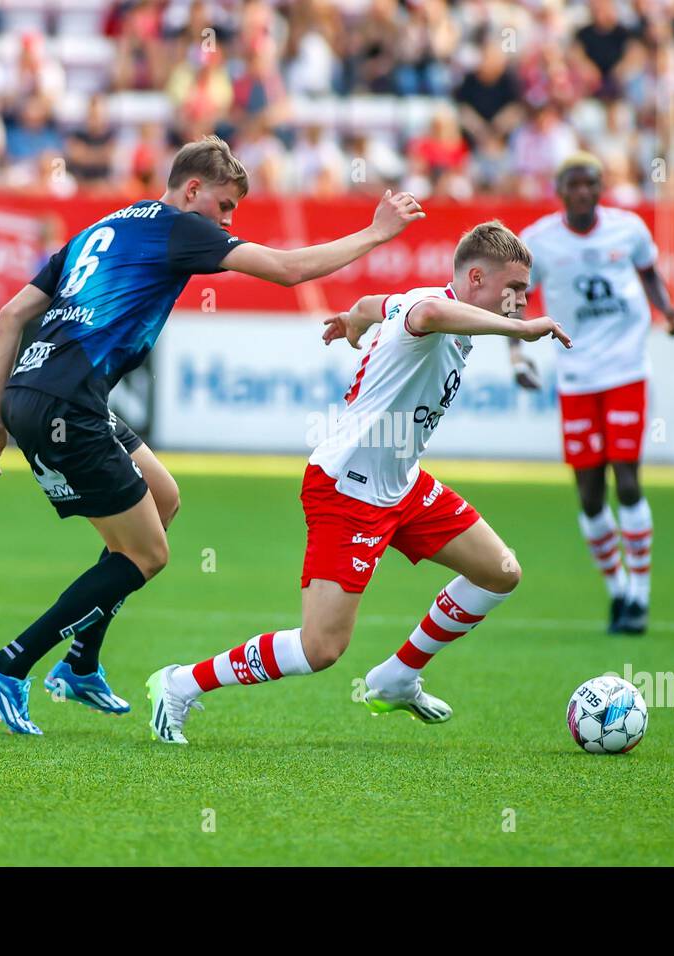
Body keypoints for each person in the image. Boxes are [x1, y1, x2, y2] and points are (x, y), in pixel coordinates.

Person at [0, 135, 425, 734]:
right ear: (191, 191)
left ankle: (80, 663)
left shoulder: (101, 227)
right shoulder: (181, 226)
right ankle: (9, 665)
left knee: (163, 499)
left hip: (40, 389)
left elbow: (10, 315)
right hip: (68, 399)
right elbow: (286, 270)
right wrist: (375, 234)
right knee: (148, 553)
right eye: (226, 205)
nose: (228, 221)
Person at [146, 221, 571, 744]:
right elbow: (427, 313)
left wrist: (351, 320)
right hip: (347, 488)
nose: (522, 301)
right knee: (320, 649)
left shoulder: (433, 310)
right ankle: (180, 683)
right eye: (515, 290)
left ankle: (397, 676)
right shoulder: (433, 308)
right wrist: (521, 331)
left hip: (404, 485)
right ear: (477, 277)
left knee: (501, 572)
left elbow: (376, 303)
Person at [511, 153, 674, 635]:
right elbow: (514, 296)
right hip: (576, 376)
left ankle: (641, 596)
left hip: (627, 369)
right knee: (590, 495)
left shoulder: (627, 229)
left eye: (592, 183)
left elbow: (649, 272)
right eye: (575, 184)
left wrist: (668, 310)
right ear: (561, 190)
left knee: (627, 481)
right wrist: (517, 354)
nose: (585, 192)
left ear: (601, 187)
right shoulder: (539, 241)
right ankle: (617, 590)